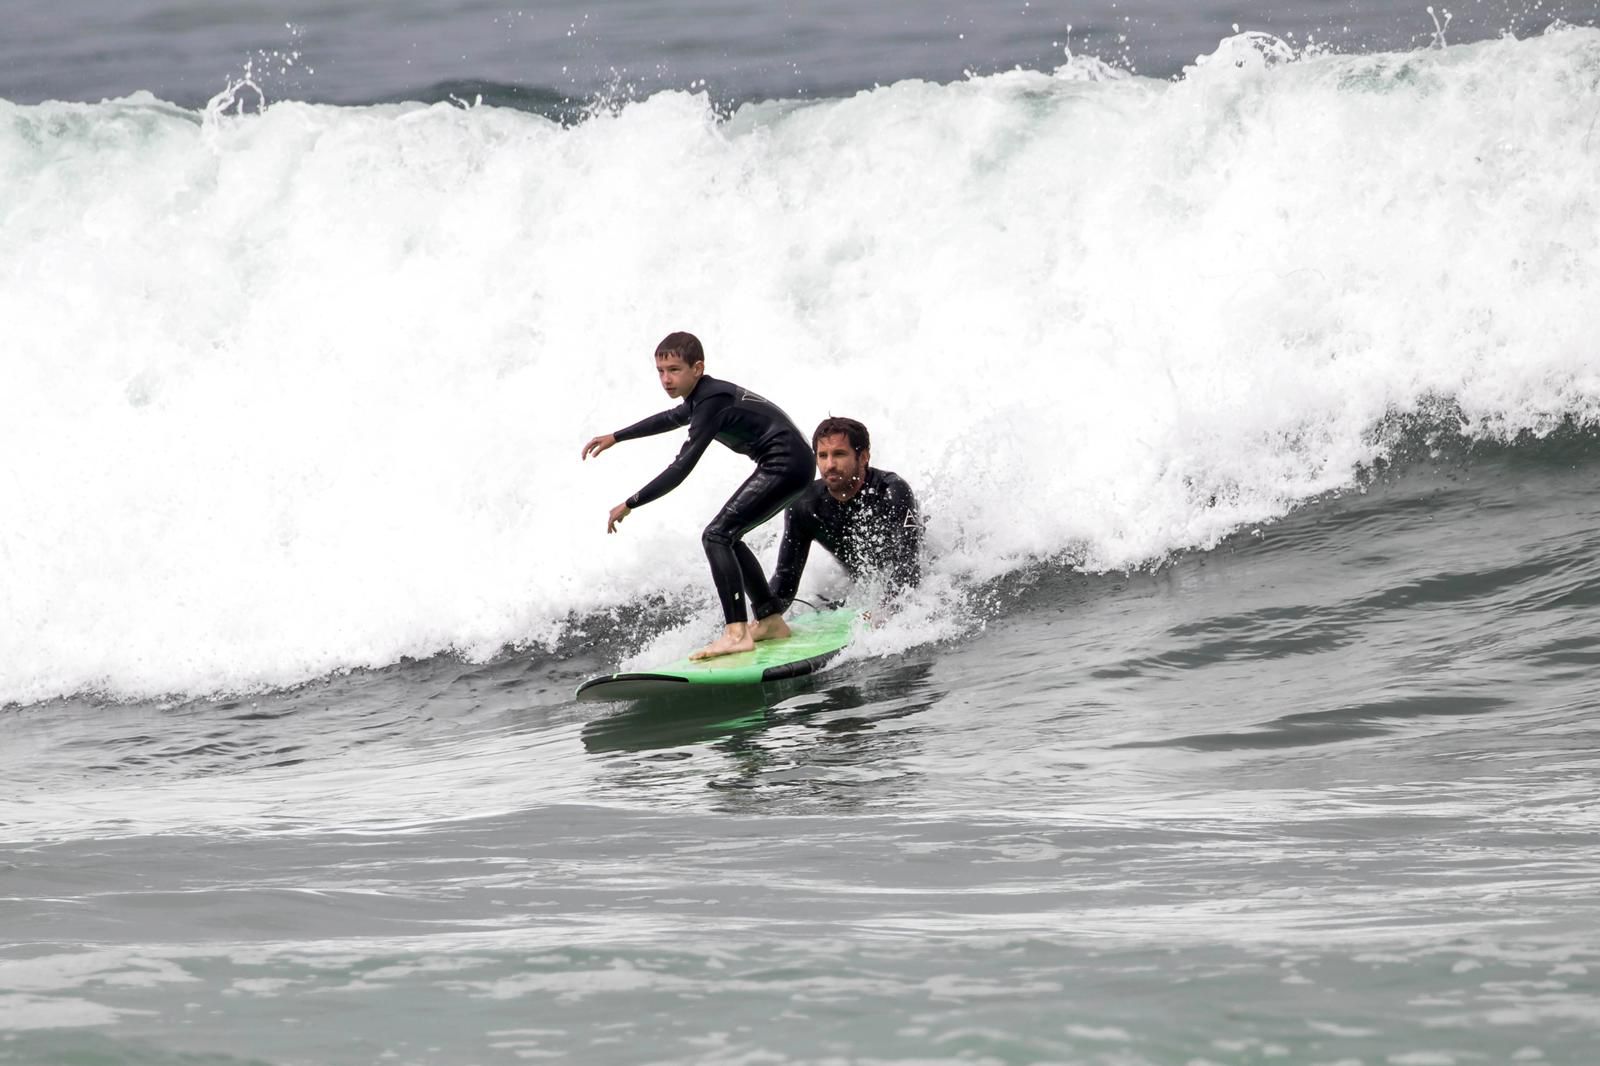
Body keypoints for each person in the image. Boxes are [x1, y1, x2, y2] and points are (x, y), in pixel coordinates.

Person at [581, 332, 815, 660]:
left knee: (716, 536)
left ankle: (736, 633)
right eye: (660, 371)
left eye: (674, 370)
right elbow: (670, 419)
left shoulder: (710, 401)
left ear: (698, 368)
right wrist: (617, 437)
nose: (666, 379)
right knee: (728, 536)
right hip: (792, 461)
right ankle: (770, 620)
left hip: (787, 464)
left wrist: (630, 503)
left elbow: (681, 468)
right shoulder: (701, 398)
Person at [766, 416, 922, 614]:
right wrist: (766, 616)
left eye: (839, 454)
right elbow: (785, 578)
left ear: (864, 457)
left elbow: (908, 563)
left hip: (916, 576)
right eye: (822, 456)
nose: (829, 464)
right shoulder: (804, 506)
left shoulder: (892, 492)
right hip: (860, 585)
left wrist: (888, 609)